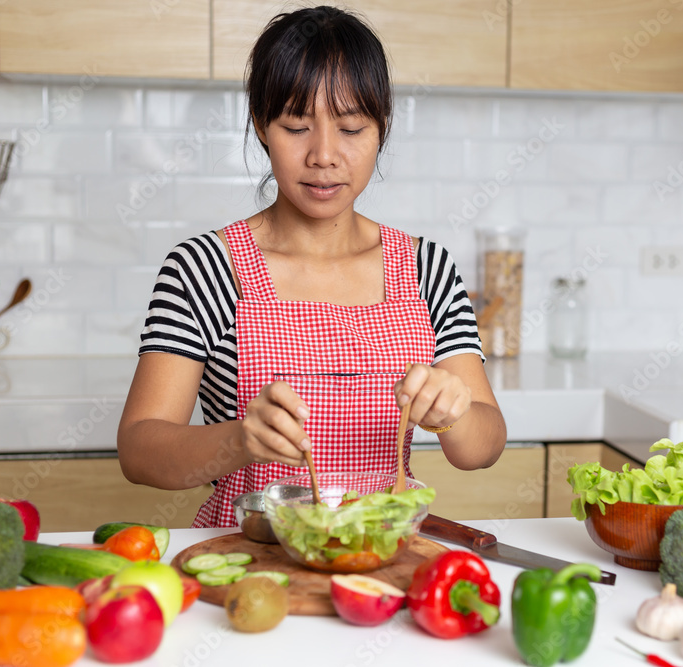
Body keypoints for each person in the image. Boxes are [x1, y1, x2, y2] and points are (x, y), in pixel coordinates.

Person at [116, 6, 507, 528]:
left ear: (381, 129)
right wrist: (240, 439)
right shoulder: (203, 268)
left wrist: (453, 415)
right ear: (261, 124)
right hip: (250, 557)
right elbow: (139, 450)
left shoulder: (427, 269)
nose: (324, 155)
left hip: (380, 560)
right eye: (296, 126)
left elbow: (483, 447)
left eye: (350, 128)